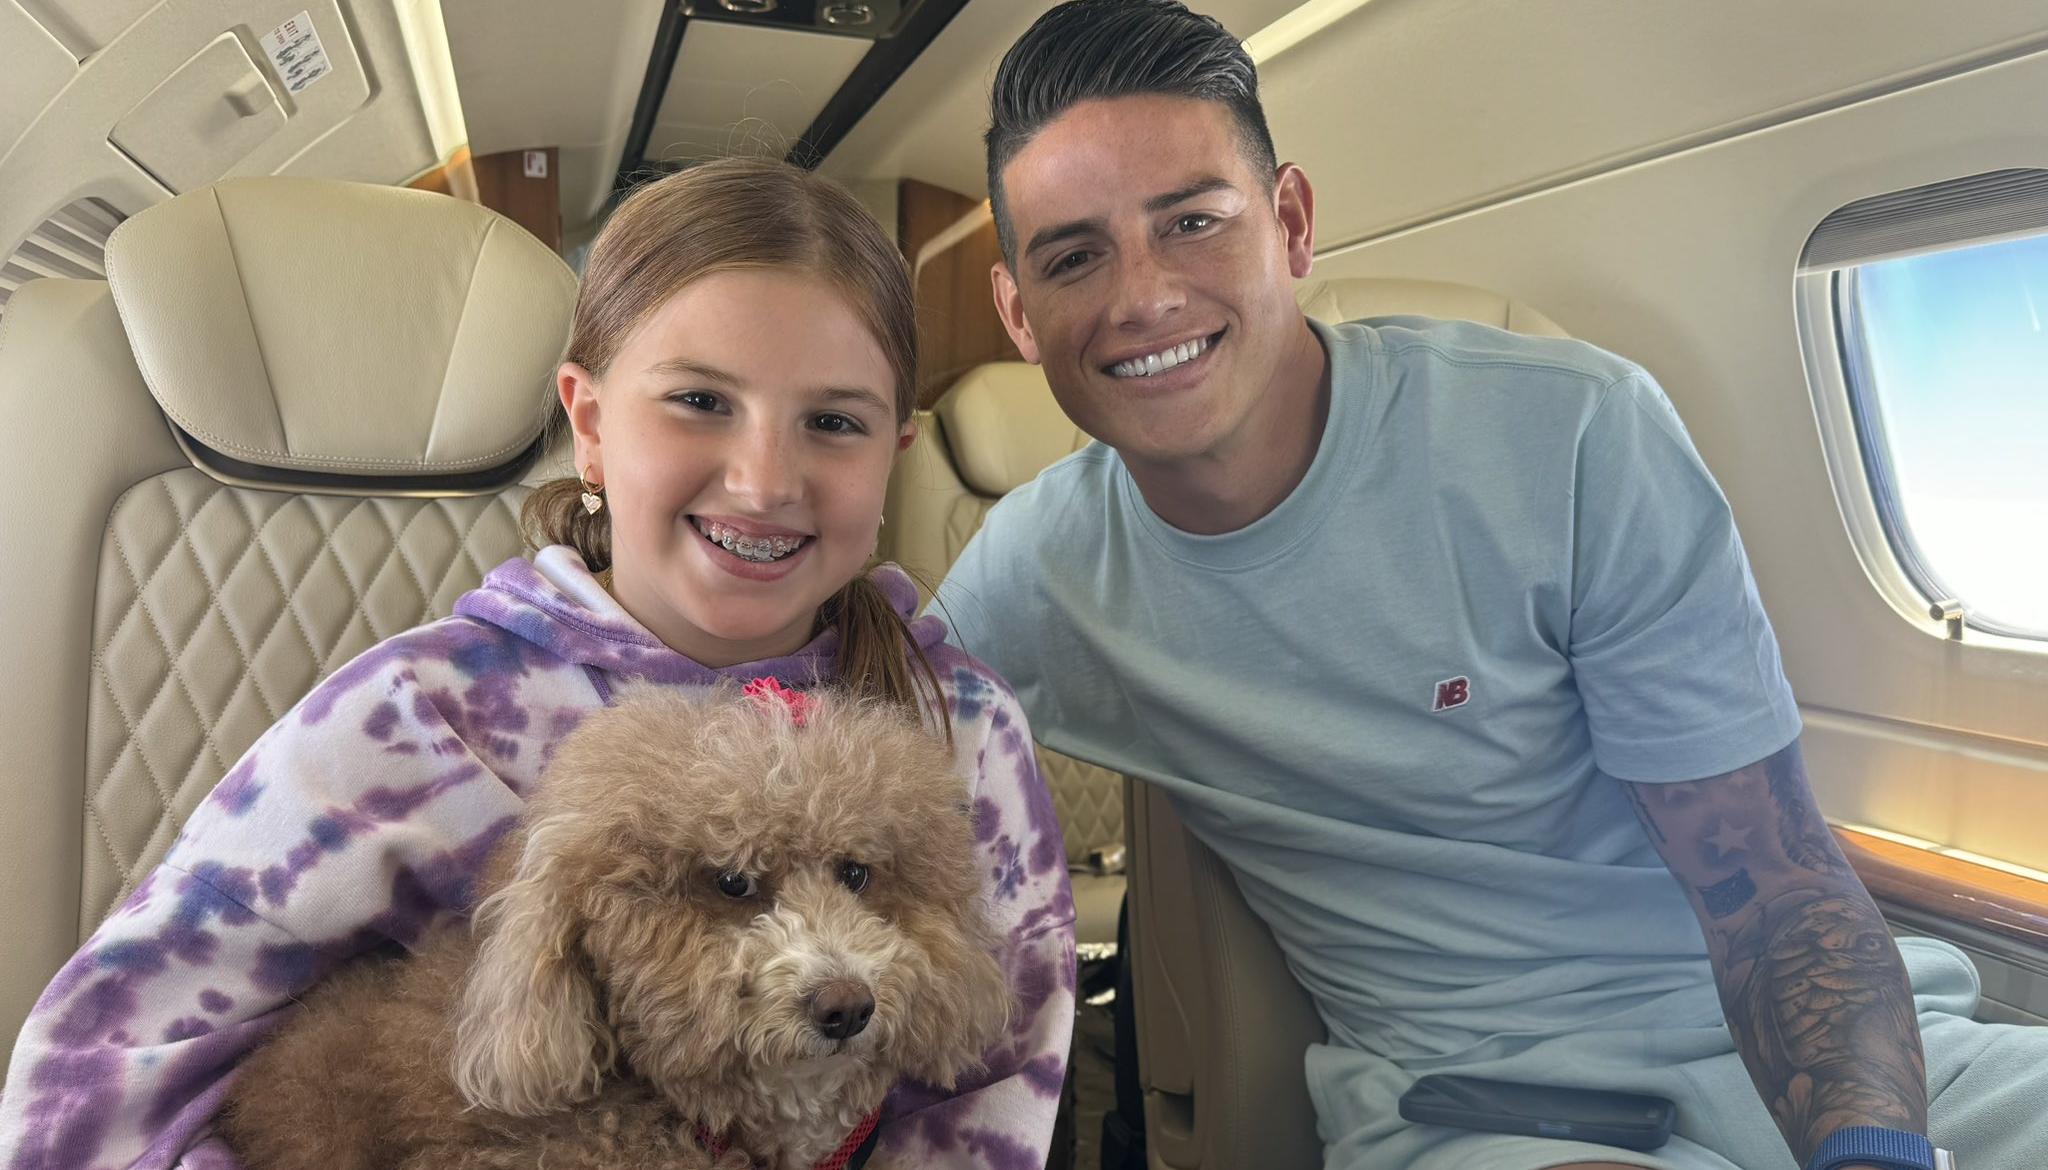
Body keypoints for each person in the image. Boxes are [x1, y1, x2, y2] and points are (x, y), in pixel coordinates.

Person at [934, 3, 2046, 1169]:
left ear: (1291, 221)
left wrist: (1870, 1150)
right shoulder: (1038, 567)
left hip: (1834, 1048)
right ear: (1019, 312)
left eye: (1193, 222)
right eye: (1072, 256)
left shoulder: (1569, 433)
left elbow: (1772, 885)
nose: (1142, 296)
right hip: (1481, 1109)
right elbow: (833, 740)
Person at [0, 158, 1075, 1170]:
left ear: (890, 455)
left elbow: (992, 1089)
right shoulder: (417, 715)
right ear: (591, 424)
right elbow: (101, 1071)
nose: (763, 480)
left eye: (832, 421)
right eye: (700, 401)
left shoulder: (960, 727)